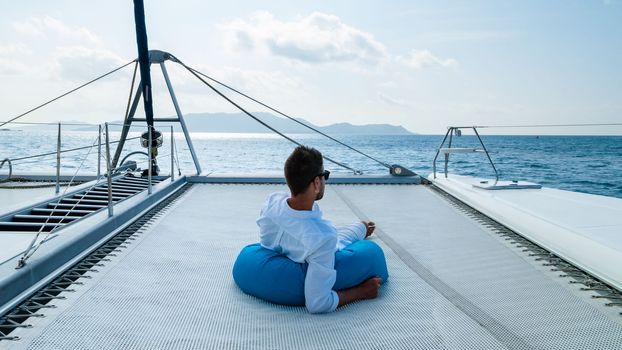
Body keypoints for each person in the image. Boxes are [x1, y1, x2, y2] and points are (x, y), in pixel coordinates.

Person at [256, 145, 383, 314]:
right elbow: (317, 304)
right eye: (325, 176)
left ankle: (361, 227)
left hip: (295, 240)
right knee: (341, 239)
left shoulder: (271, 201)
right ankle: (361, 228)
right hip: (315, 244)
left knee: (342, 232)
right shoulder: (322, 239)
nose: (325, 181)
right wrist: (362, 292)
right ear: (316, 182)